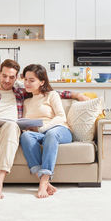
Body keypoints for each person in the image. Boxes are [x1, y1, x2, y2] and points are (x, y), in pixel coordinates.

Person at [0, 59, 88, 200]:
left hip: (7, 131)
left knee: (12, 125)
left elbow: (47, 91)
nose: (7, 80)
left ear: (17, 78)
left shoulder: (22, 93)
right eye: (4, 76)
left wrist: (76, 94)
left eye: (11, 77)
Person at [19, 64, 73, 199]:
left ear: (42, 82)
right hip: (39, 134)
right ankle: (44, 181)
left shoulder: (51, 95)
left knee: (51, 133)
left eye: (32, 80)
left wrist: (42, 128)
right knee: (25, 136)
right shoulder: (27, 101)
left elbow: (61, 117)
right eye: (25, 79)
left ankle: (44, 182)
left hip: (60, 130)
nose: (27, 83)